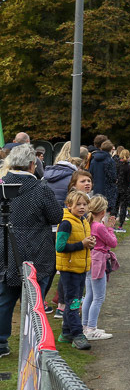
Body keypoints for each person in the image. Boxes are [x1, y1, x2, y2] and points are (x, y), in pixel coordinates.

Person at [0, 144, 64, 359]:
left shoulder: (1, 185)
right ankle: (36, 342)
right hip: (37, 250)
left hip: (6, 249)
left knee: (5, 300)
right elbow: (56, 216)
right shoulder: (40, 188)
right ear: (31, 165)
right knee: (35, 302)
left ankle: (1, 343)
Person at [56, 190, 95, 350]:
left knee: (75, 301)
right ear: (69, 205)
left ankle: (66, 332)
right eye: (78, 204)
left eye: (84, 204)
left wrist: (89, 244)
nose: (81, 207)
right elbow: (60, 246)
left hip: (81, 268)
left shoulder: (83, 221)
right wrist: (82, 244)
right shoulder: (66, 223)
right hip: (69, 269)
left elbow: (83, 242)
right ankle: (77, 334)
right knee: (73, 303)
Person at [82, 196, 117, 341]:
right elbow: (112, 242)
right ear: (103, 211)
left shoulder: (88, 224)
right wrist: (110, 228)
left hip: (90, 260)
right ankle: (91, 328)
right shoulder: (99, 227)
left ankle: (85, 326)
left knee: (89, 295)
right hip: (98, 262)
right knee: (98, 297)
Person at [89, 138, 118, 212]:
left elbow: (90, 173)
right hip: (108, 189)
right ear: (111, 149)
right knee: (106, 210)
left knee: (97, 209)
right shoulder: (110, 161)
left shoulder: (94, 159)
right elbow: (112, 176)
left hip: (97, 188)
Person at [114, 148, 130, 231]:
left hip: (117, 188)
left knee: (115, 206)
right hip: (125, 189)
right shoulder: (128, 167)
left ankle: (112, 224)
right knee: (123, 207)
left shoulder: (117, 165)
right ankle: (120, 225)